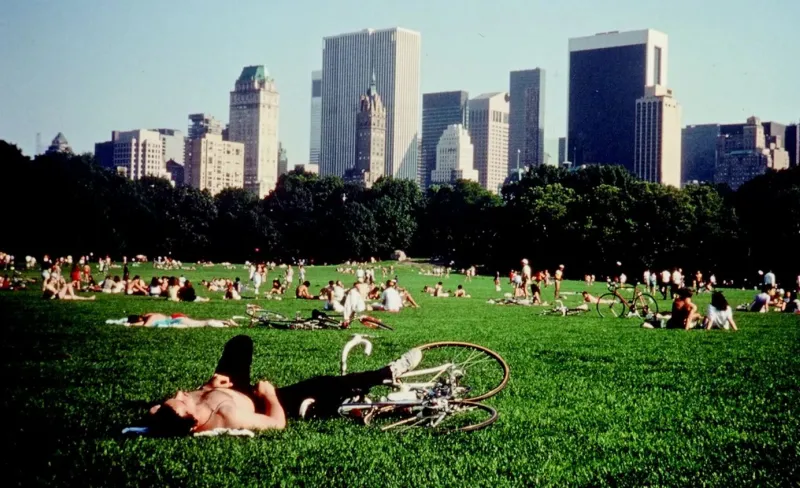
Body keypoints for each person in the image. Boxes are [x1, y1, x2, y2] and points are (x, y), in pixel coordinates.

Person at [145, 335, 422, 435]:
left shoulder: (167, 413)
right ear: (194, 420)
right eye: (183, 400)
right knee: (324, 383)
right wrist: (269, 396)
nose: (181, 393)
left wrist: (208, 385)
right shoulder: (229, 416)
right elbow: (277, 424)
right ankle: (387, 373)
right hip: (259, 400)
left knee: (240, 343)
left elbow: (157, 411)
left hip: (230, 387)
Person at [125, 313, 236, 328]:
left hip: (177, 321)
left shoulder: (151, 318)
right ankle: (225, 321)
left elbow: (145, 325)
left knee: (201, 324)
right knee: (200, 322)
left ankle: (226, 323)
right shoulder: (153, 315)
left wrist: (130, 325)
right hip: (177, 319)